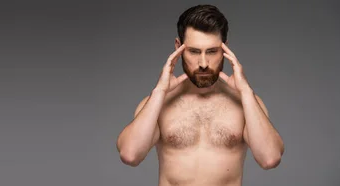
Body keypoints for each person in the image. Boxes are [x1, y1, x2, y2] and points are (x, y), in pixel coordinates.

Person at [115, 4, 285, 186]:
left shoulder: (246, 102)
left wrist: (245, 91)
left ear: (225, 49)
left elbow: (270, 158)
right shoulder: (158, 103)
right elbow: (130, 155)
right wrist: (159, 91)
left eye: (212, 51)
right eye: (194, 51)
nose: (203, 63)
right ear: (178, 47)